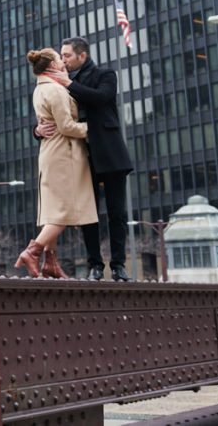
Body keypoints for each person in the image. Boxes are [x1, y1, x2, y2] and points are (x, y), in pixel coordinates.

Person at [38, 37, 134, 281]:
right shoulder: (60, 84)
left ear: (83, 56)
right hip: (80, 157)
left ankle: (119, 265)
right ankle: (95, 266)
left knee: (117, 213)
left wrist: (68, 84)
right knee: (88, 215)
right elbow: (53, 115)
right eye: (62, 55)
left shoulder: (105, 75)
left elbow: (101, 97)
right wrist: (37, 130)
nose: (64, 59)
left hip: (110, 155)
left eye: (67, 55)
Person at [16, 48, 98, 279]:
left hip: (51, 152)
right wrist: (93, 129)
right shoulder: (56, 90)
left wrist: (39, 130)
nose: (63, 61)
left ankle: (50, 262)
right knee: (64, 210)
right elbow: (67, 127)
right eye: (59, 58)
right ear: (51, 65)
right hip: (65, 154)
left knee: (54, 209)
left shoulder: (40, 89)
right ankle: (33, 251)